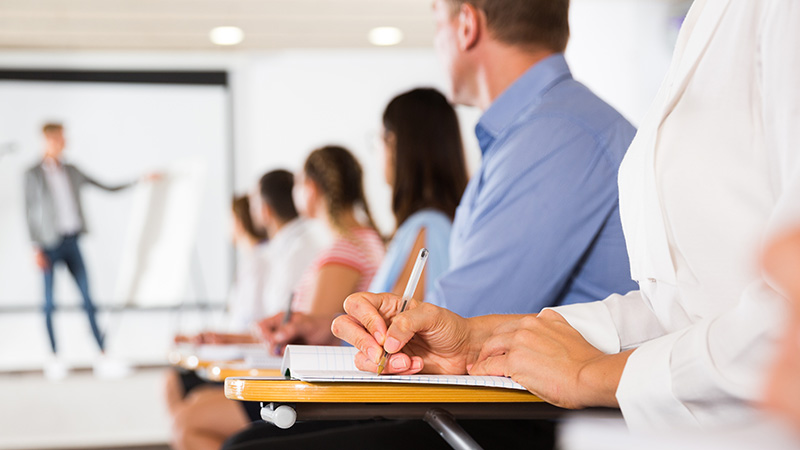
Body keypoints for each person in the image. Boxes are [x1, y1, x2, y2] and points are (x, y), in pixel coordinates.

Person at [332, 0, 800, 436]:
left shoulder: (555, 134)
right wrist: (477, 341)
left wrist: (591, 373)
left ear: (467, 25)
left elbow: (778, 321)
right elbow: (683, 306)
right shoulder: (537, 132)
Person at [258, 88, 469, 351]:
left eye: (379, 141)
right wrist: (324, 327)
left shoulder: (428, 229)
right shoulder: (414, 229)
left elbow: (394, 335)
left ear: (394, 143)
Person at [166, 170, 326, 450]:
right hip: (272, 363)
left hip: (282, 374)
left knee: (187, 419)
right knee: (186, 408)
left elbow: (282, 329)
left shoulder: (297, 252)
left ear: (264, 209)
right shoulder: (284, 250)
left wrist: (230, 338)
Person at [23, 122, 155, 379]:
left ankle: (102, 354)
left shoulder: (71, 170)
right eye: (59, 139)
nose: (64, 143)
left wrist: (139, 180)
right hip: (48, 245)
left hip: (72, 241)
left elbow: (106, 186)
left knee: (88, 299)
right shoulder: (32, 174)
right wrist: (34, 248)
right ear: (47, 140)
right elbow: (29, 212)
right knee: (49, 303)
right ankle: (54, 357)